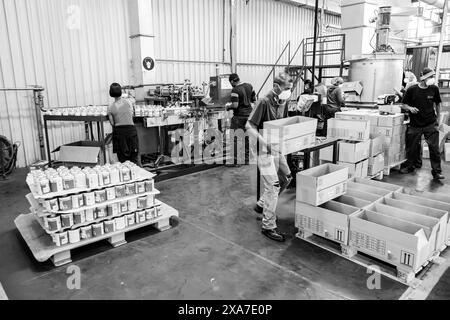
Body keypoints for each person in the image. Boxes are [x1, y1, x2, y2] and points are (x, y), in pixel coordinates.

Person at [246, 72, 293, 242]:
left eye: (290, 89)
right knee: (273, 185)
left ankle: (261, 205)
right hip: (261, 149)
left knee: (286, 178)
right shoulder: (264, 101)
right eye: (286, 89)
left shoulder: (283, 101)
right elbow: (249, 126)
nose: (289, 92)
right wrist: (265, 142)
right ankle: (268, 226)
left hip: (276, 146)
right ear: (276, 87)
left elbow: (283, 123)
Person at [400, 67, 444, 180]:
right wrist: (410, 108)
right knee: (412, 148)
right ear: (423, 78)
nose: (432, 79)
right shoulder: (412, 89)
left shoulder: (434, 89)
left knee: (434, 149)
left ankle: (437, 172)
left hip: (430, 123)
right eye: (430, 77)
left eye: (432, 77)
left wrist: (438, 118)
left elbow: (438, 104)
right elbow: (403, 104)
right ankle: (410, 166)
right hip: (415, 124)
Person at [227, 73, 256, 165]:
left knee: (235, 138)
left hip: (239, 117)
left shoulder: (235, 90)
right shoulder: (249, 86)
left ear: (232, 81)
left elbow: (235, 105)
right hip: (249, 116)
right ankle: (246, 160)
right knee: (246, 138)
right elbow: (254, 100)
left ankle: (235, 161)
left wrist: (228, 106)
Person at [107, 83, 140, 165]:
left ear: (110, 93)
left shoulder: (110, 107)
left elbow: (112, 123)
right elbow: (131, 114)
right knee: (134, 158)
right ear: (121, 92)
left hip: (119, 133)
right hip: (130, 131)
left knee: (123, 160)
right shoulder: (129, 102)